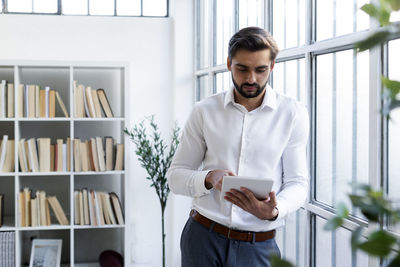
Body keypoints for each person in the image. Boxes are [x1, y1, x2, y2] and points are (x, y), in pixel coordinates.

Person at [167, 26, 309, 267]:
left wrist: (275, 211)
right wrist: (209, 178)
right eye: (242, 69)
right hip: (202, 238)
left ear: (272, 66)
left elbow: (298, 183)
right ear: (228, 63)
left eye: (260, 69)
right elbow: (175, 177)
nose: (251, 79)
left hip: (259, 245)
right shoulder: (204, 111)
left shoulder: (292, 113)